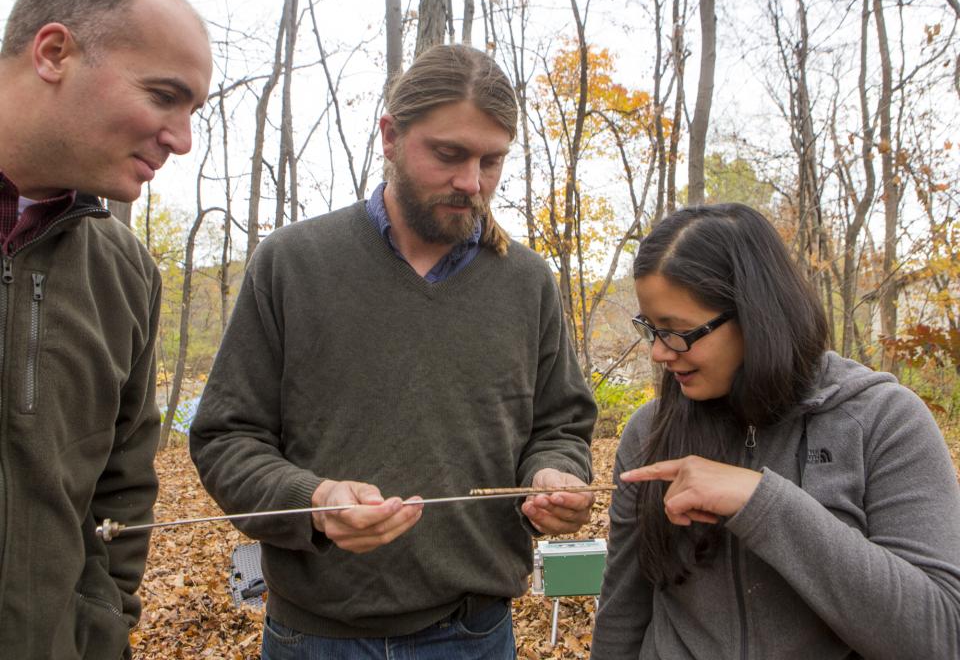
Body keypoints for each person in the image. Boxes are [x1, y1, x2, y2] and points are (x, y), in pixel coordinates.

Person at [189, 43, 597, 659]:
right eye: (449, 154)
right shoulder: (293, 263)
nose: (471, 182)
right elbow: (225, 438)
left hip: (475, 633)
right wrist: (314, 502)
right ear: (390, 136)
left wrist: (556, 475)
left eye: (492, 161)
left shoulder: (527, 281)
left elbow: (561, 425)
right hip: (316, 636)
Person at [591, 203, 960, 659]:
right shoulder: (650, 432)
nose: (659, 354)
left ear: (756, 317)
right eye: (652, 328)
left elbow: (938, 634)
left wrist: (762, 503)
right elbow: (623, 613)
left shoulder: (884, 421)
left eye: (679, 331)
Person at [0, 0, 212, 660]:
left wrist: (99, 630)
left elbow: (122, 489)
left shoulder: (122, 274)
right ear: (54, 52)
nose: (181, 139)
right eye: (163, 96)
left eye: (192, 111)